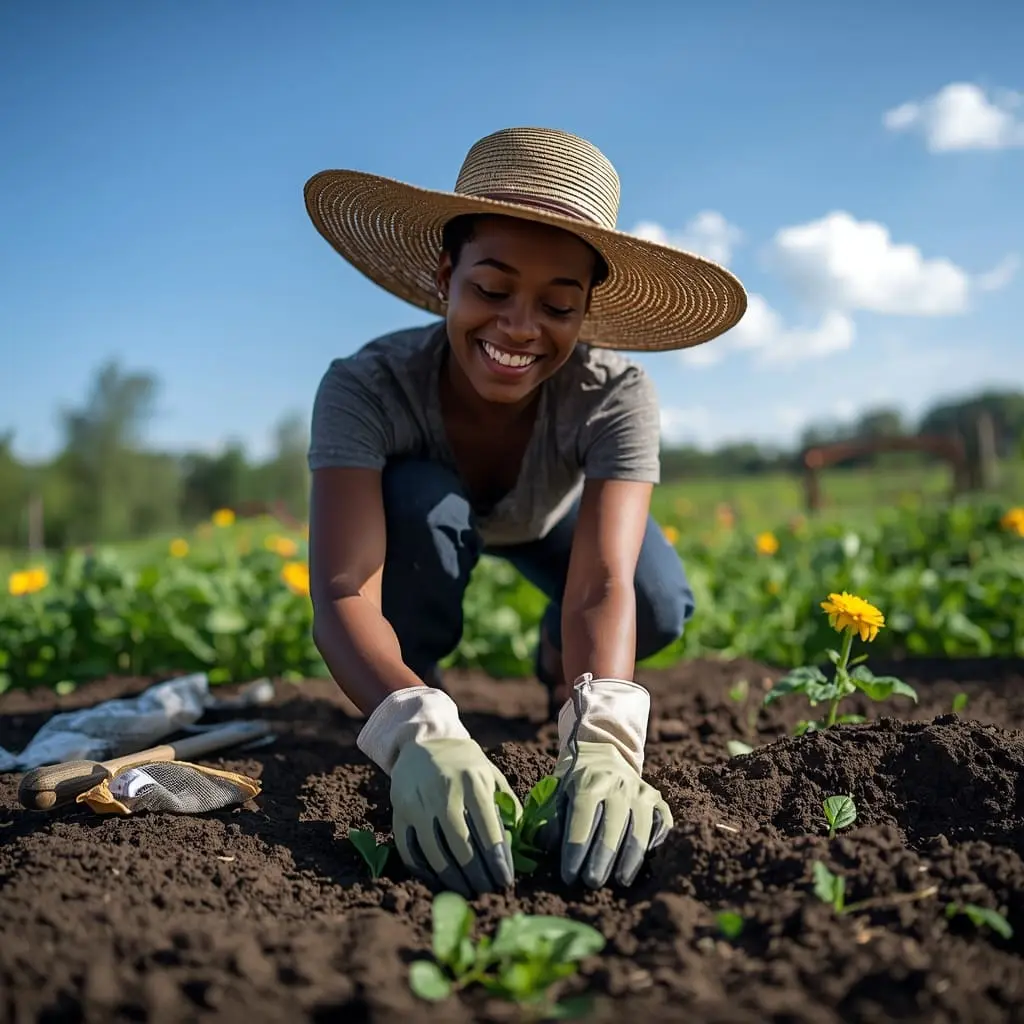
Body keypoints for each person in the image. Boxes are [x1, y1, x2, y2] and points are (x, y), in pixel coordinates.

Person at [303, 126, 747, 898]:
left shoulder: (613, 395)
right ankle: (418, 691)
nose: (518, 327)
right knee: (421, 502)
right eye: (491, 289)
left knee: (655, 602)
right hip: (421, 525)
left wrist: (607, 739)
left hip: (556, 529)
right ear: (446, 275)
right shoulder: (368, 387)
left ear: (586, 311)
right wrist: (417, 734)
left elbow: (601, 586)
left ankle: (558, 676)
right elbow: (344, 590)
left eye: (557, 305)